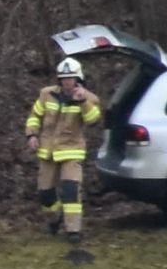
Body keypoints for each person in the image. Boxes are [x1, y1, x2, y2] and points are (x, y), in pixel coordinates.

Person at [25, 55, 107, 242]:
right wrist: (31, 135)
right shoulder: (46, 94)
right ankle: (54, 219)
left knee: (71, 190)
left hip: (71, 151)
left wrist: (82, 102)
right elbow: (34, 116)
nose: (67, 82)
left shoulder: (89, 98)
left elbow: (93, 120)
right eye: (63, 78)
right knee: (46, 195)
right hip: (47, 152)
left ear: (78, 79)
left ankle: (73, 231)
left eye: (70, 78)